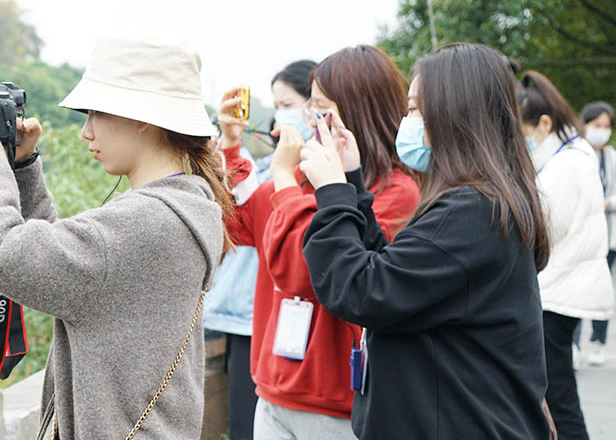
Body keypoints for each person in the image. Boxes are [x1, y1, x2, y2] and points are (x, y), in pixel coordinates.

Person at [0, 36, 231, 440]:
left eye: (95, 113)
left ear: (142, 116)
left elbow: (1, 255)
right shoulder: (182, 208)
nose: (86, 132)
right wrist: (24, 167)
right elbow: (68, 275)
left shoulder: (146, 222)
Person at [299, 43, 552, 439]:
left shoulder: (472, 211)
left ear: (454, 114)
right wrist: (352, 181)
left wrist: (332, 194)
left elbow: (362, 291)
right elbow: (395, 278)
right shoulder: (481, 202)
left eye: (415, 109)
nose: (407, 121)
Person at [217, 45, 420, 439]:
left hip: (337, 401)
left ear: (357, 111)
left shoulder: (394, 193)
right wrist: (230, 144)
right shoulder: (301, 177)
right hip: (274, 388)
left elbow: (308, 271)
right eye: (309, 105)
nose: (309, 118)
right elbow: (237, 224)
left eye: (320, 107)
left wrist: (285, 181)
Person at [203, 59, 315, 440]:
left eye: (288, 105)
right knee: (246, 425)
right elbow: (240, 222)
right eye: (277, 105)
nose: (280, 115)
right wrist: (230, 143)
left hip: (283, 325)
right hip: (253, 318)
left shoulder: (328, 181)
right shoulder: (271, 170)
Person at [519, 70, 614, 440]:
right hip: (565, 287)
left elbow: (544, 228)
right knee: (555, 393)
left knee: (559, 398)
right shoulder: (573, 154)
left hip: (559, 291)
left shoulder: (567, 163)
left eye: (523, 132)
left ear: (545, 124)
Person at [574, 101, 615, 366]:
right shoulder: (575, 153)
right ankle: (574, 344)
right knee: (576, 289)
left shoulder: (611, 158)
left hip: (607, 233)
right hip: (580, 233)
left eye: (606, 126)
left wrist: (607, 203)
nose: (601, 131)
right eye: (596, 125)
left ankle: (598, 341)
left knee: (602, 288)